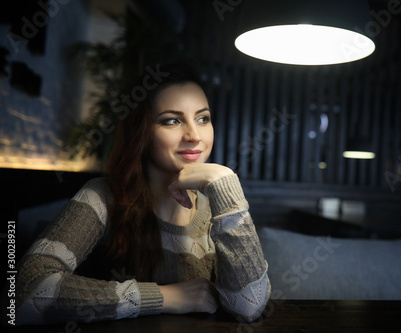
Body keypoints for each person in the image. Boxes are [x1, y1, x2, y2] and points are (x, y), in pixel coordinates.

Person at [16, 63, 271, 325]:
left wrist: (225, 185)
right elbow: (25, 294)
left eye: (202, 118)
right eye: (172, 120)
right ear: (143, 131)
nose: (194, 135)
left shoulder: (218, 212)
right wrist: (163, 297)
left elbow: (248, 307)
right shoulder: (103, 196)